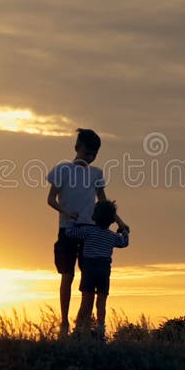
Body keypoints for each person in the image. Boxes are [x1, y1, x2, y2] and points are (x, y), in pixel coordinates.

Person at [46, 128, 128, 336]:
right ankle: (64, 323)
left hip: (90, 230)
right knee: (67, 274)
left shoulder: (96, 173)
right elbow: (51, 199)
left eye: (93, 155)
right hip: (68, 229)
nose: (90, 158)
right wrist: (66, 213)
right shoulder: (62, 169)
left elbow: (103, 201)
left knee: (88, 279)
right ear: (77, 148)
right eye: (87, 153)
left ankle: (81, 326)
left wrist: (119, 220)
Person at [65, 200, 130, 339]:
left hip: (89, 268)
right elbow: (124, 243)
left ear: (94, 216)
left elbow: (70, 232)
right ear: (112, 220)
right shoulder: (112, 236)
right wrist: (123, 229)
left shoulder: (88, 231)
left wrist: (72, 219)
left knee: (86, 301)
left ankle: (79, 331)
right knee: (101, 301)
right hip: (104, 269)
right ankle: (101, 330)